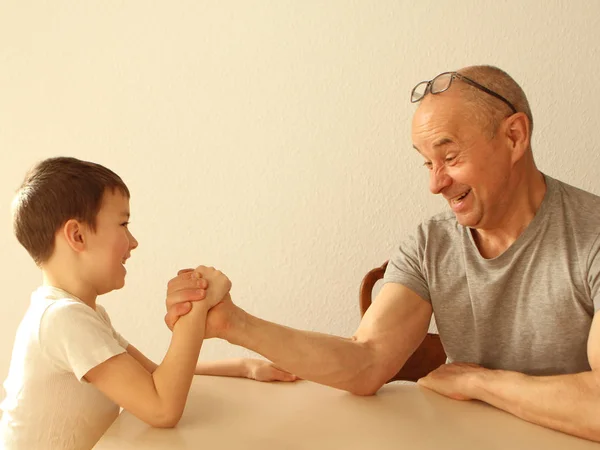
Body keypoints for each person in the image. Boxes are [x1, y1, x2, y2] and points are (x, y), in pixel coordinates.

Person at [165, 66, 600, 442]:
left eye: (449, 156)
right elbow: (367, 361)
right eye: (426, 163)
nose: (435, 184)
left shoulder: (592, 234)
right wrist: (233, 323)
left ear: (514, 136)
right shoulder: (431, 243)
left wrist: (479, 380)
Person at [0, 157, 296, 450]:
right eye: (123, 223)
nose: (133, 241)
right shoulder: (61, 319)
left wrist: (245, 366)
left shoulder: (81, 314)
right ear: (77, 235)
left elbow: (155, 375)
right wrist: (197, 304)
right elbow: (161, 408)